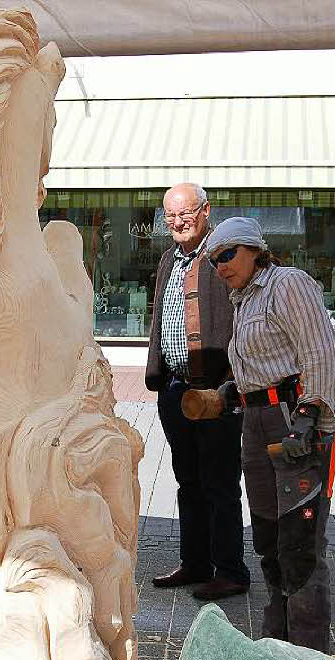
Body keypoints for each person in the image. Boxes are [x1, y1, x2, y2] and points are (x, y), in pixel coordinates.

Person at [206, 216, 335, 651]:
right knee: (269, 538)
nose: (220, 266)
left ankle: (308, 655)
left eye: (227, 255)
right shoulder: (242, 298)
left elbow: (319, 351)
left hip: (291, 420)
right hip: (256, 420)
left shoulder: (287, 283)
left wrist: (310, 415)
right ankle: (278, 643)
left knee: (299, 544)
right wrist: (232, 391)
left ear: (252, 249)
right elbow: (264, 366)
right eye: (213, 261)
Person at [146, 183, 250, 601]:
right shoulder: (169, 258)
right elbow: (159, 318)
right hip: (174, 388)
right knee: (187, 481)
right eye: (170, 216)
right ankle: (195, 563)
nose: (178, 222)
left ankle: (230, 570)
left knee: (220, 483)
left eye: (185, 213)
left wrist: (232, 383)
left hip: (217, 389)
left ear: (205, 211)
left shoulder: (221, 256)